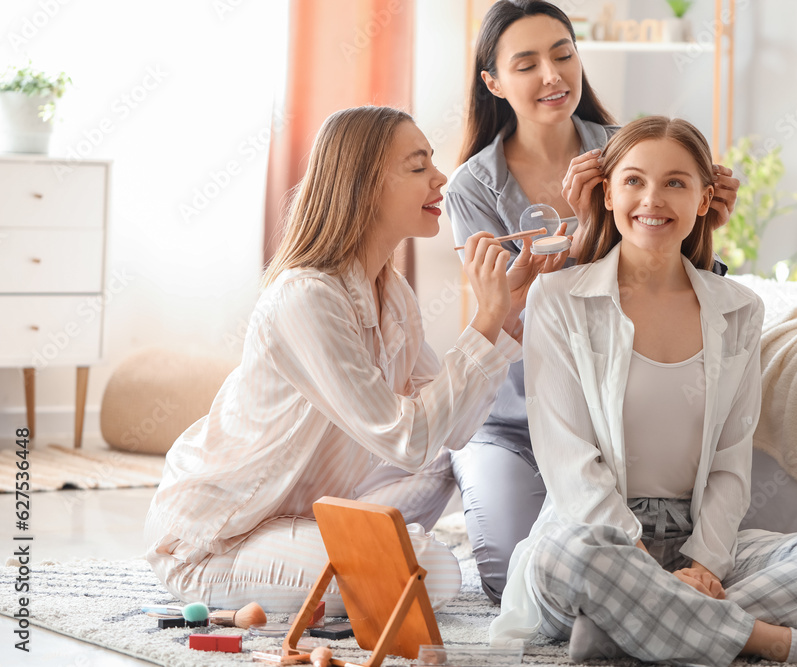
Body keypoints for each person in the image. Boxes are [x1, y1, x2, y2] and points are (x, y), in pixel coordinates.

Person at [491, 115, 797, 667]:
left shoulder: (738, 308)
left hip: (699, 546)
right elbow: (566, 458)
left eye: (675, 182)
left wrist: (706, 566)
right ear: (610, 192)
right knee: (569, 558)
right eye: (634, 180)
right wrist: (636, 560)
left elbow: (731, 461)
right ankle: (777, 643)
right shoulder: (558, 297)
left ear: (704, 197)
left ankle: (629, 630)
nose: (653, 199)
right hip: (602, 544)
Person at [144, 106, 549, 614]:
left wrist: (506, 313)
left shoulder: (393, 294)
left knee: (443, 474)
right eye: (418, 166)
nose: (441, 178)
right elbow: (407, 439)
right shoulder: (306, 298)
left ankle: (340, 548)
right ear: (364, 185)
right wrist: (484, 321)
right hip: (217, 541)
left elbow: (454, 430)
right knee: (431, 572)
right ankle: (341, 554)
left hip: (303, 515)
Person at [445, 0, 741, 603]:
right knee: (515, 580)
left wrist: (700, 224)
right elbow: (507, 318)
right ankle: (665, 606)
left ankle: (659, 603)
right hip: (514, 419)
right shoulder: (472, 188)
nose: (553, 76)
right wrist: (587, 235)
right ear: (494, 82)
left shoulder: (632, 153)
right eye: (526, 64)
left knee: (626, 563)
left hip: (614, 417)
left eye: (563, 54)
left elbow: (679, 289)